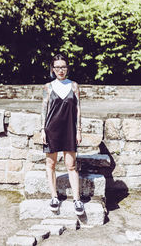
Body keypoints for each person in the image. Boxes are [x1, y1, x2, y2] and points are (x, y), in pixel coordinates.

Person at [41, 53, 85, 215]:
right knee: (50, 164)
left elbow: (78, 109)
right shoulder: (48, 87)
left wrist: (78, 130)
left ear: (67, 68)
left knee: (71, 165)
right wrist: (42, 130)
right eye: (57, 67)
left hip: (69, 129)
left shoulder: (74, 86)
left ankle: (77, 199)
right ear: (53, 69)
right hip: (51, 129)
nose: (61, 70)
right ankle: (54, 197)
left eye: (63, 67)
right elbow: (43, 110)